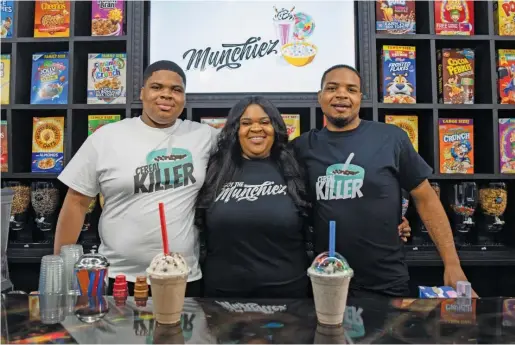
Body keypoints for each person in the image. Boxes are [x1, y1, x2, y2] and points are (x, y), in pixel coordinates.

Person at [196, 96, 412, 298]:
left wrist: (392, 220)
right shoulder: (214, 168)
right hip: (223, 293)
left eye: (265, 121)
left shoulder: (297, 163)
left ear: (275, 128)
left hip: (289, 294)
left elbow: (339, 202)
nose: (256, 128)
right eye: (246, 123)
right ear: (235, 129)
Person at [291, 64, 477, 298]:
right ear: (320, 97)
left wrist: (451, 263)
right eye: (332, 88)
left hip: (386, 280)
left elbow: (426, 198)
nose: (341, 94)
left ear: (360, 98)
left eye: (351, 89)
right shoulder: (302, 147)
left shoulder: (390, 138)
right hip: (326, 279)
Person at [53, 60, 218, 296]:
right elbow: (76, 203)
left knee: (181, 334)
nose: (166, 95)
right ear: (142, 93)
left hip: (182, 276)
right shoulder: (107, 138)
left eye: (176, 90)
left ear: (184, 98)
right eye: (157, 87)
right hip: (118, 276)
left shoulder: (204, 136)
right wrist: (61, 272)